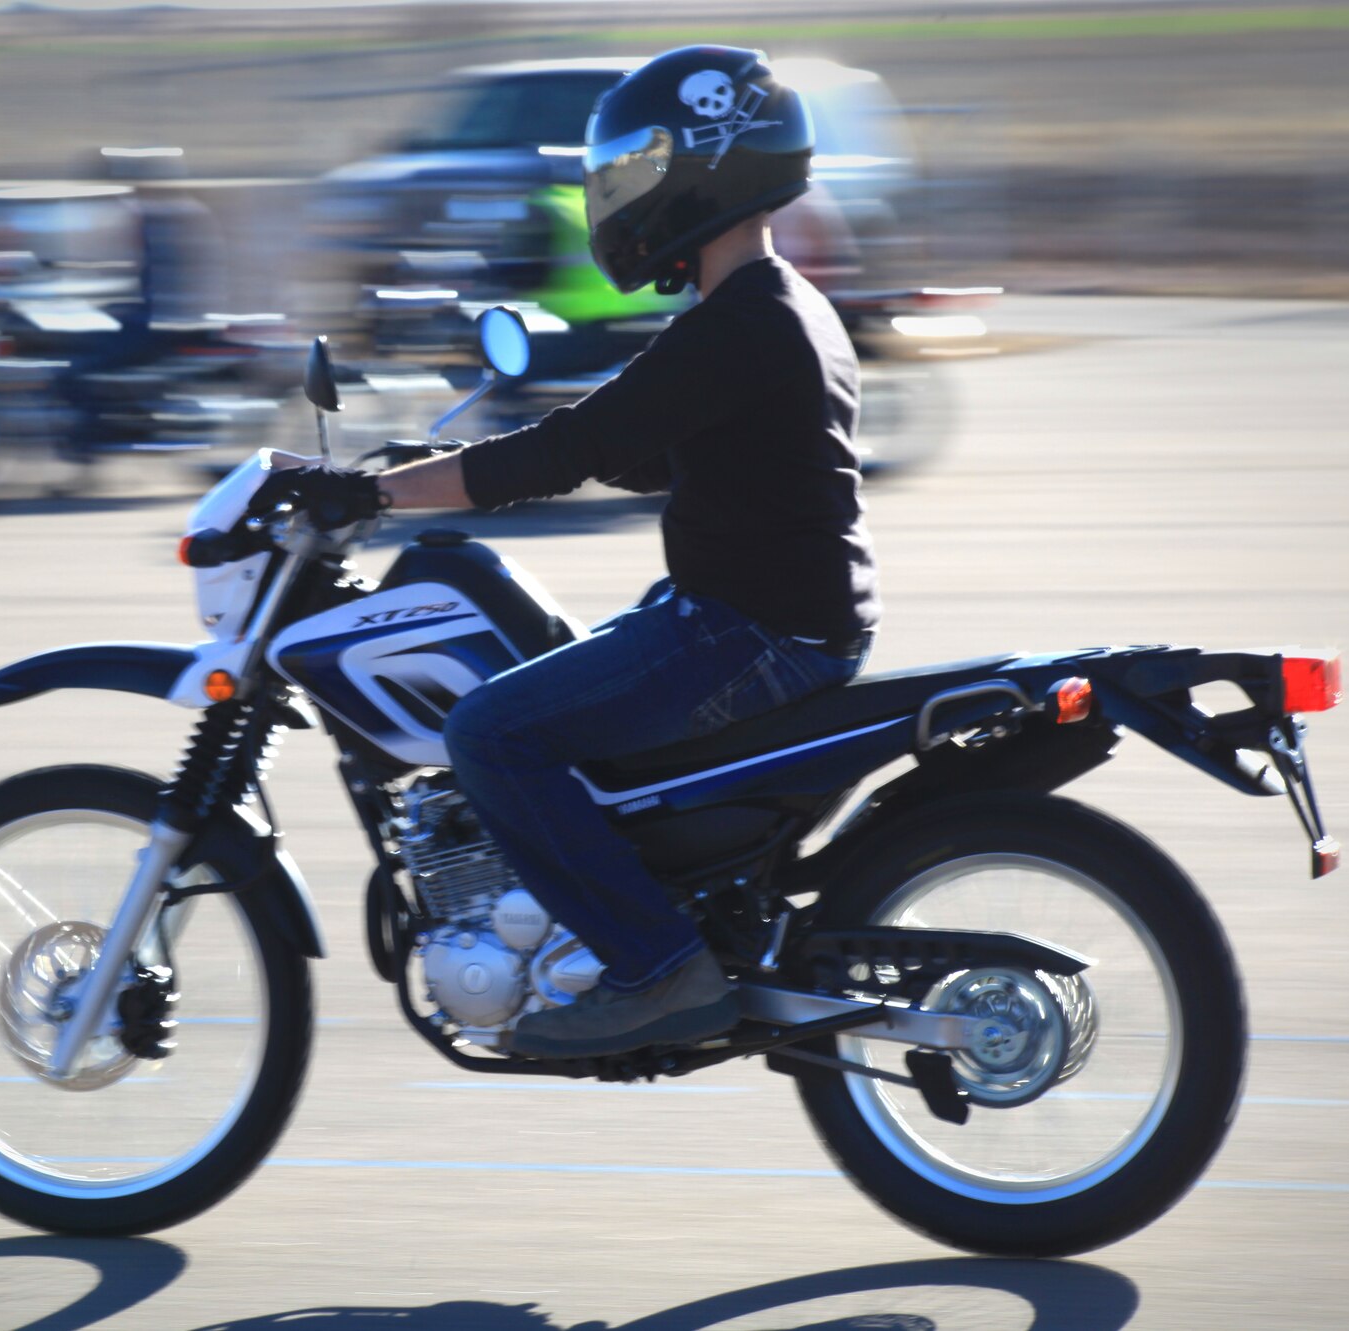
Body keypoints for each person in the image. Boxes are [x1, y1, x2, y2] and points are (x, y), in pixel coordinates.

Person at [256, 46, 881, 1058]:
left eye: (636, 169)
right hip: (769, 617)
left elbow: (570, 450)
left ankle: (658, 968)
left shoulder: (740, 322)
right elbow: (644, 451)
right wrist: (427, 466)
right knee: (554, 668)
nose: (618, 194)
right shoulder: (776, 306)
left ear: (702, 168)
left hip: (747, 632)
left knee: (489, 731)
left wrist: (372, 492)